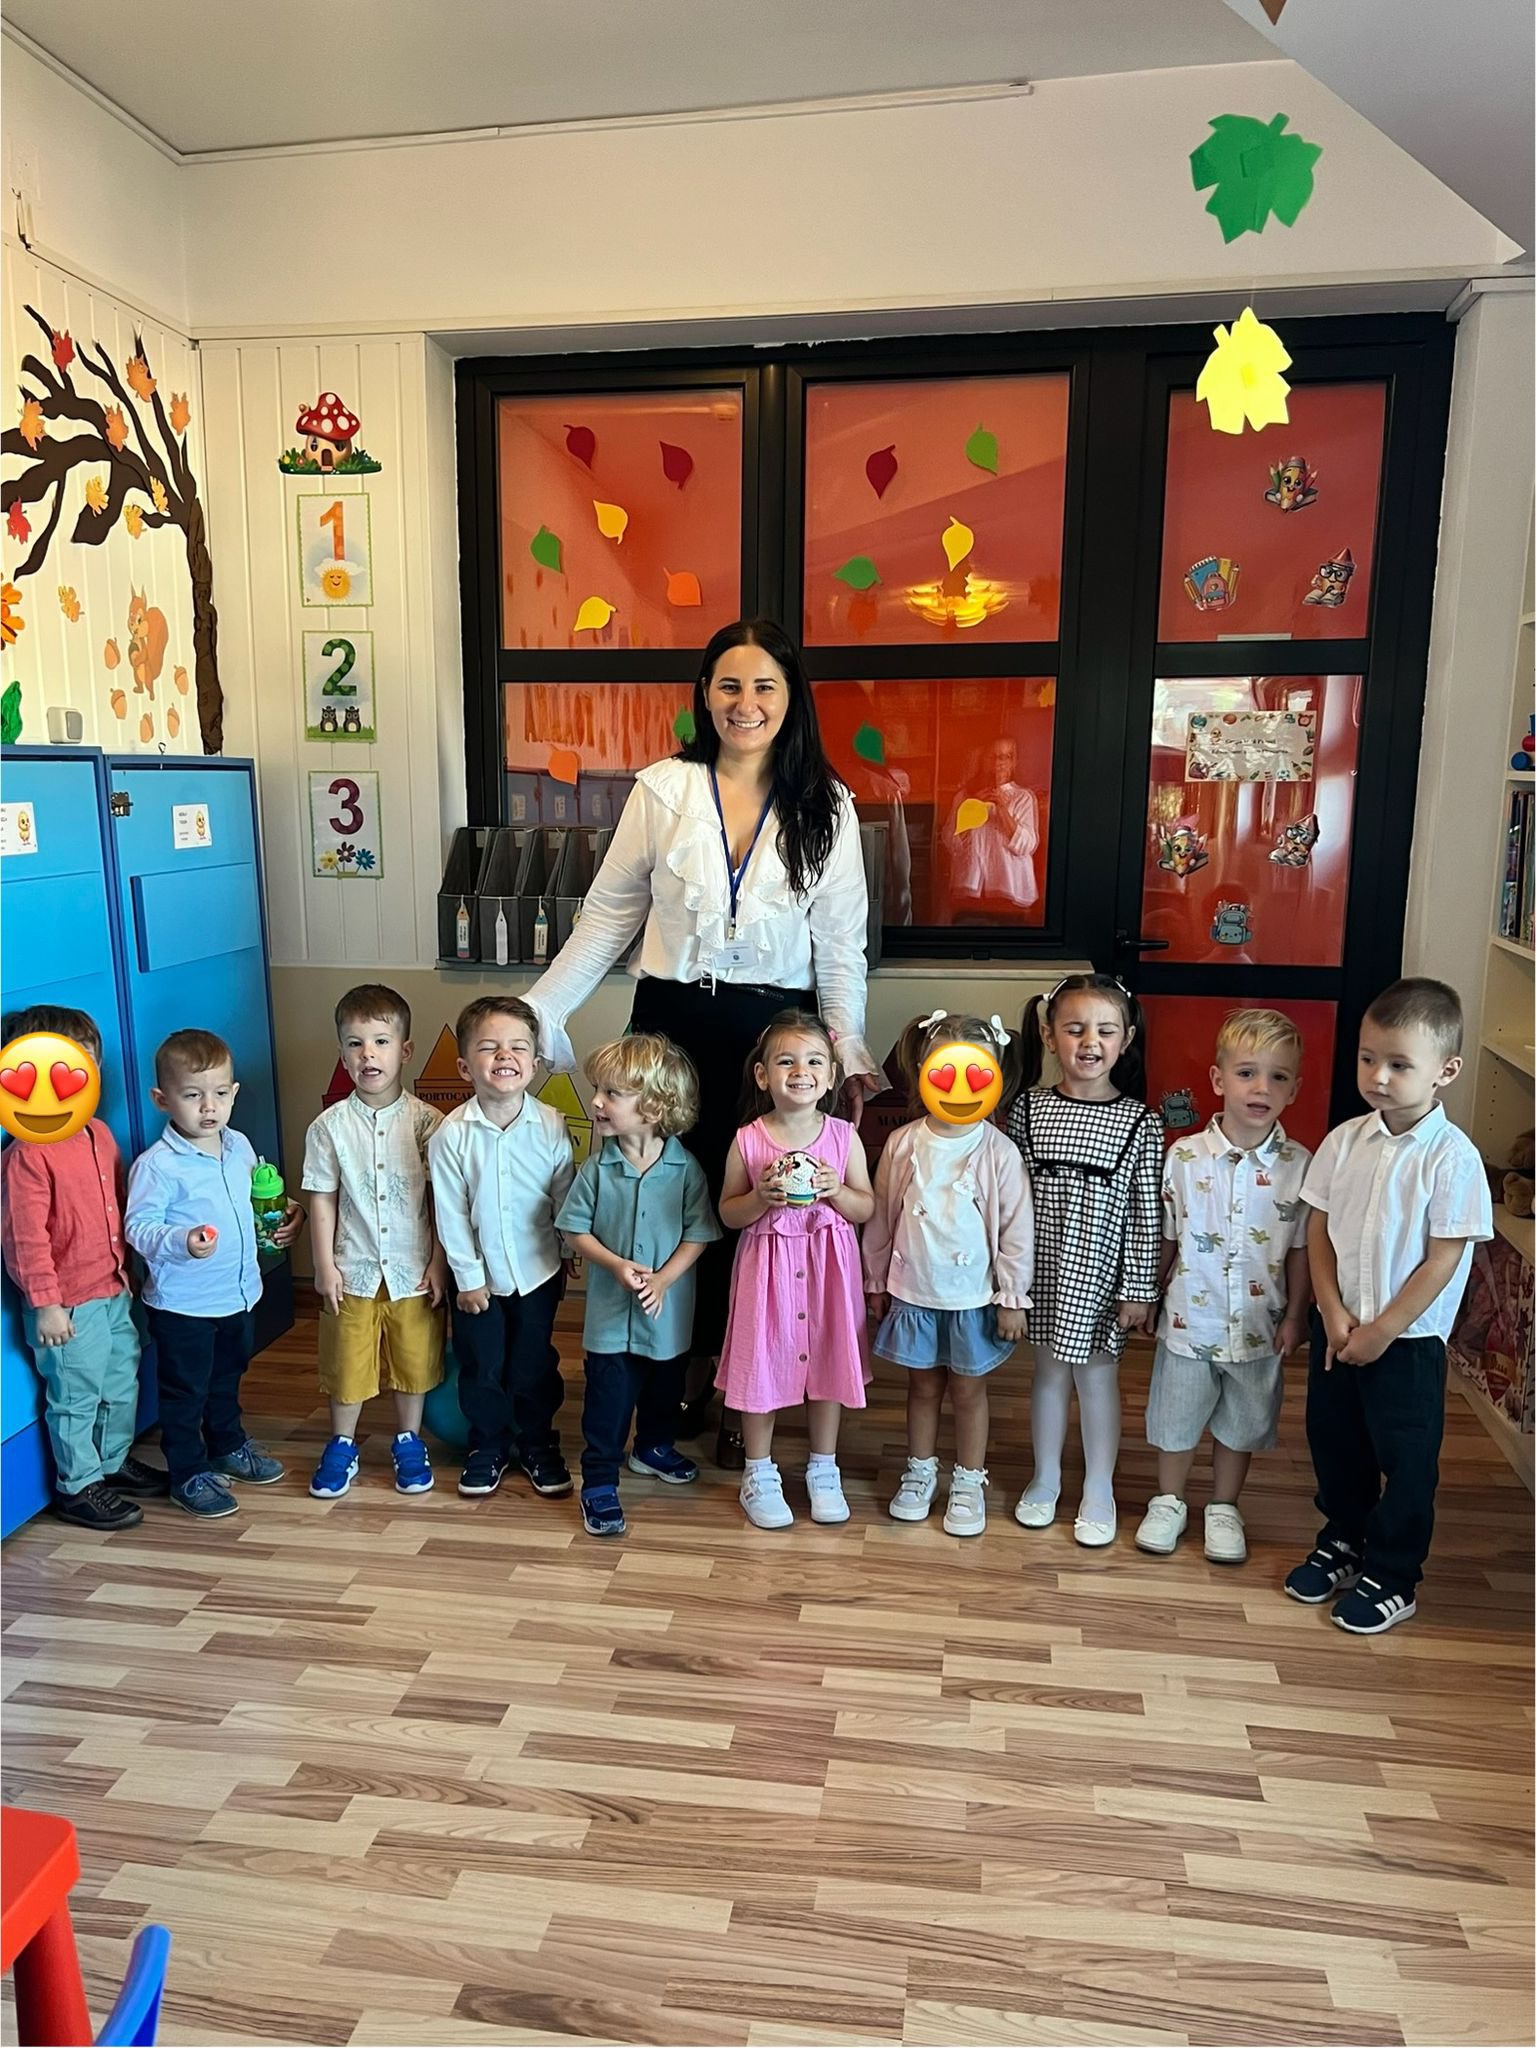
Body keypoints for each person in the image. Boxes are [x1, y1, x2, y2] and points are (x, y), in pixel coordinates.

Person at [524, 618, 881, 1470]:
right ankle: (670, 1379)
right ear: (705, 695)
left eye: (764, 686)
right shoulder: (664, 790)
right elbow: (608, 917)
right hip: (671, 1021)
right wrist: (538, 1012)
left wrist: (847, 1046)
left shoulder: (827, 806)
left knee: (755, 1206)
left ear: (791, 699)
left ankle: (741, 1382)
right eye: (729, 685)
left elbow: (841, 945)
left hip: (775, 1031)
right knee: (664, 1200)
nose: (745, 703)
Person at [1284, 979, 1492, 1634]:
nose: (1377, 1076)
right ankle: (1344, 1540)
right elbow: (1319, 1227)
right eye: (1368, 1058)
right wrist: (1330, 1310)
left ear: (1444, 1071)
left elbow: (1442, 1259)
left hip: (1407, 1343)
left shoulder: (1453, 1158)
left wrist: (1382, 1330)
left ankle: (1395, 1573)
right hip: (1338, 1327)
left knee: (1406, 1459)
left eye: (1399, 1064)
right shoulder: (1344, 1141)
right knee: (1335, 1440)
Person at [1136, 1009, 1311, 1565]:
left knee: (1242, 1423)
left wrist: (1296, 1315)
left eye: (1278, 1077)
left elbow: (1302, 1248)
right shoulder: (1184, 1158)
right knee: (1176, 1417)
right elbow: (1167, 1235)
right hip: (1190, 1320)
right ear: (1218, 1080)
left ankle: (1224, 1507)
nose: (1262, 1088)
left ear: (1294, 1089)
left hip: (1260, 1326)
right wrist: (1147, 1293)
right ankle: (1169, 1501)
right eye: (1247, 1073)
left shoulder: (1301, 1167)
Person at [865, 1010, 1033, 1538]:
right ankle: (920, 1472)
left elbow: (1016, 1229)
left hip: (972, 1299)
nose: (960, 1088)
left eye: (976, 1075)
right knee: (921, 1387)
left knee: (968, 1391)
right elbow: (882, 1216)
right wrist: (875, 1282)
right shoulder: (903, 1144)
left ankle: (968, 1479)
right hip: (914, 1292)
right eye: (945, 1073)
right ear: (922, 1073)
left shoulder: (999, 1151)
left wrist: (1012, 1295)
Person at [1007, 975, 1162, 1547]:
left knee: (1097, 1379)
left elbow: (1147, 1212)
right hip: (1043, 1271)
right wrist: (1009, 1281)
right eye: (1075, 1029)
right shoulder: (1028, 1109)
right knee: (1048, 1375)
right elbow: (1011, 1199)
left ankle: (1100, 1487)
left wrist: (1139, 1288)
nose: (1090, 1042)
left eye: (1105, 1030)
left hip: (1101, 1276)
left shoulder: (1141, 1122)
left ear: (1126, 1039)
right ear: (1050, 1036)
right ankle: (1045, 1477)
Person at [0, 1005, 167, 1530]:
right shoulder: (28, 1154)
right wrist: (46, 1305)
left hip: (112, 1288)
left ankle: (111, 1462)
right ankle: (78, 1485)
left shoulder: (98, 1134)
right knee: (76, 1396)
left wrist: (130, 1269)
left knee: (120, 1383)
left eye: (89, 1064)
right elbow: (25, 1239)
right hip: (68, 1305)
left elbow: (118, 1208)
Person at [125, 1029, 302, 1520]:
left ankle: (227, 1444)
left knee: (227, 1377)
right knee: (186, 1392)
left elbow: (253, 1199)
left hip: (238, 1294)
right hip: (184, 1306)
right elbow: (138, 1227)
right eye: (192, 1095)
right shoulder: (157, 1166)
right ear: (162, 1099)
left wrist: (288, 1211)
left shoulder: (238, 1145)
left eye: (220, 1093)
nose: (209, 1107)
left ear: (234, 1093)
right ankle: (187, 1471)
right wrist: (181, 1240)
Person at [556, 1034, 720, 1538]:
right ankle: (599, 1481)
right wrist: (613, 1264)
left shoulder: (685, 1170)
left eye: (611, 1093)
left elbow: (699, 1233)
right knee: (607, 1401)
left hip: (667, 1317)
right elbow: (574, 1229)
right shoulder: (596, 1168)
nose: (596, 1102)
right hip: (609, 1318)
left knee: (664, 1388)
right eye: (598, 1090)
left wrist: (664, 1281)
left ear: (654, 1106)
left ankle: (652, 1448)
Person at [717, 1011, 874, 1528]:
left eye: (814, 1062)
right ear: (763, 1076)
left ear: (831, 1077)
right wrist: (759, 1199)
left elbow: (865, 1208)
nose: (800, 1071)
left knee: (828, 1360)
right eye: (786, 1061)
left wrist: (837, 1190)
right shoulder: (748, 1139)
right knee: (760, 1363)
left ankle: (823, 1467)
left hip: (829, 1273)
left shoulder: (844, 1137)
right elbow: (728, 1212)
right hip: (768, 1273)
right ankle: (759, 1471)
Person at [427, 996, 575, 1502]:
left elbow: (563, 1196)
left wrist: (568, 1250)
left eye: (518, 1047)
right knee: (483, 1365)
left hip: (539, 1271)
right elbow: (450, 1214)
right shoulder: (451, 1135)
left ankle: (537, 1442)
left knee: (533, 1363)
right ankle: (487, 1443)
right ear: (465, 1066)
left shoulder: (552, 1125)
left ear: (534, 1063)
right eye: (489, 1047)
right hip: (479, 1281)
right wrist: (467, 1279)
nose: (504, 1056)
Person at [303, 985, 447, 1501]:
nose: (368, 1055)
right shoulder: (329, 1128)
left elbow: (442, 1202)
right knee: (348, 1361)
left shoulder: (429, 1123)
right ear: (342, 1054)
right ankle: (342, 1443)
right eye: (355, 1044)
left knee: (415, 1359)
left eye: (381, 1042)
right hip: (353, 1269)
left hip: (413, 1268)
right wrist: (324, 1264)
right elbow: (322, 1198)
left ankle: (409, 1440)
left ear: (404, 1050)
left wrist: (439, 1262)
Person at [944, 737, 1040, 920]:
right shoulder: (964, 796)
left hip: (1010, 892)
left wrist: (1002, 810)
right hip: (970, 892)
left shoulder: (1023, 798)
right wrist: (973, 808)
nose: (999, 763)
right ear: (983, 760)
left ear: (1014, 762)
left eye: (1006, 757)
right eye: (993, 756)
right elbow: (950, 841)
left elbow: (1027, 845)